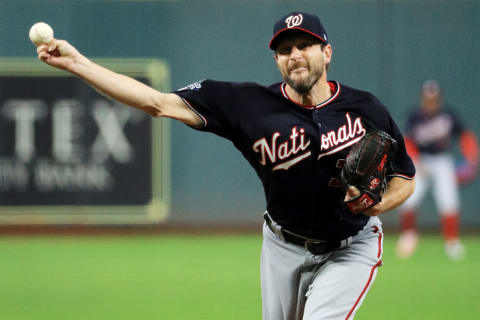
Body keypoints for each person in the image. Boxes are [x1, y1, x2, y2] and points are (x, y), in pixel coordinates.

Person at [36, 11, 415, 320]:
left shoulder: (365, 108)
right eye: (285, 49)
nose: (295, 54)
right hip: (282, 247)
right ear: (276, 60)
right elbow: (155, 102)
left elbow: (405, 178)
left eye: (304, 45)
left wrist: (378, 204)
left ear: (327, 52)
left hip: (352, 245)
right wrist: (77, 63)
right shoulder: (245, 104)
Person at [396, 79, 478, 261]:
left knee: (449, 201)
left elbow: (465, 135)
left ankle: (452, 242)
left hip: (442, 161)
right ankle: (408, 236)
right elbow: (406, 141)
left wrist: (471, 157)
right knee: (409, 198)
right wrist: (415, 160)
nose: (430, 101)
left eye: (434, 98)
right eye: (428, 98)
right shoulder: (414, 117)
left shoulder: (448, 115)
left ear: (438, 98)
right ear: (423, 98)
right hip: (420, 161)